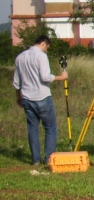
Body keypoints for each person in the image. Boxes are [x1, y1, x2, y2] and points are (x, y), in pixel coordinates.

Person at [13, 35, 68, 166]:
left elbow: (16, 82)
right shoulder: (41, 56)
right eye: (47, 48)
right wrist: (61, 77)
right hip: (42, 96)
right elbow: (45, 77)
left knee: (32, 128)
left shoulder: (20, 57)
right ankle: (49, 158)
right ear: (43, 44)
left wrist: (18, 97)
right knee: (50, 128)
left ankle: (36, 160)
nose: (46, 51)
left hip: (26, 97)